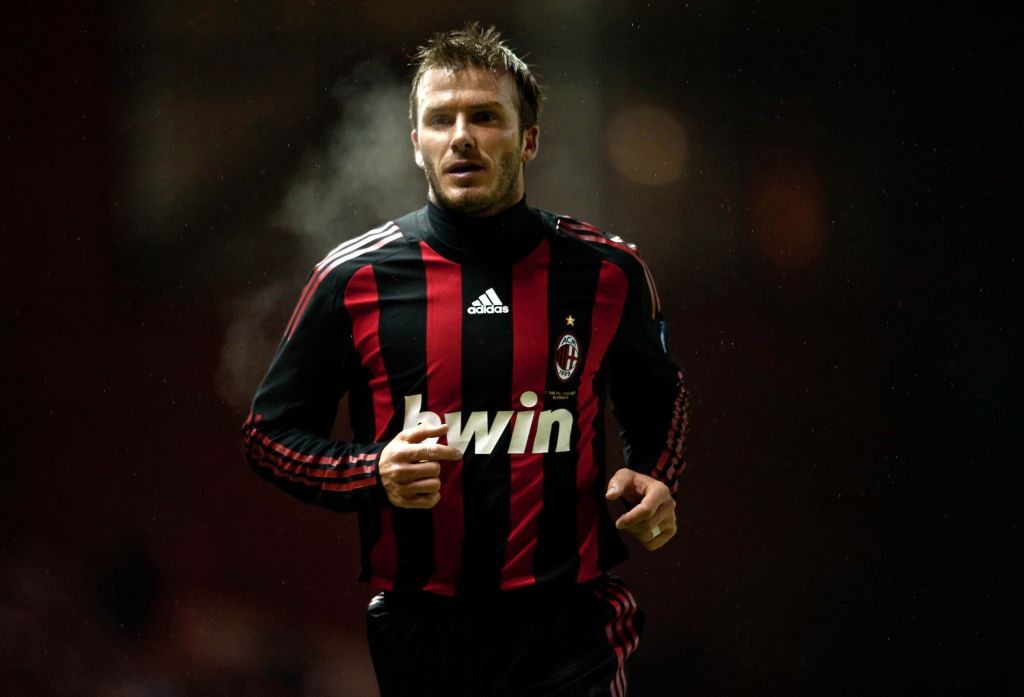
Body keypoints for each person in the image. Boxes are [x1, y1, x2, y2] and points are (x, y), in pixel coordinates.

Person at [242, 22, 689, 697]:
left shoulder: (608, 271)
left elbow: (662, 401)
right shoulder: (352, 277)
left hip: (570, 623)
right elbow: (268, 437)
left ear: (529, 138)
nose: (462, 137)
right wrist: (373, 470)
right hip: (425, 629)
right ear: (416, 142)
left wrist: (655, 475)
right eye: (440, 119)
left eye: (486, 116)